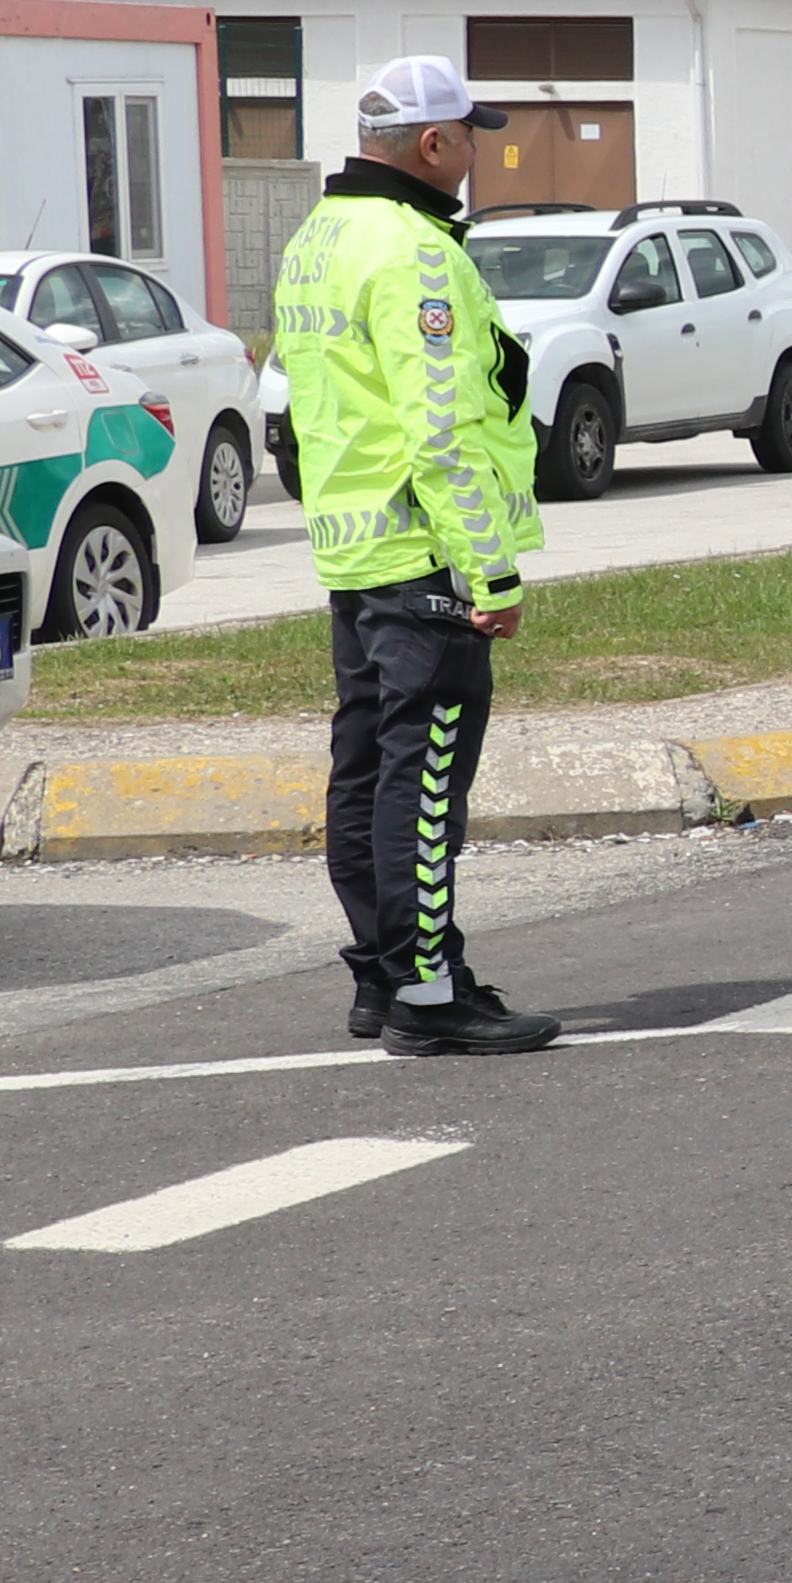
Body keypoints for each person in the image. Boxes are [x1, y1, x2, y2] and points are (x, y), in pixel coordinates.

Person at [274, 57, 564, 1048]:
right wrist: (490, 570)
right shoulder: (415, 253)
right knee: (426, 778)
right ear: (433, 144)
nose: (479, 150)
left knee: (366, 769)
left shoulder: (320, 237)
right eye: (470, 133)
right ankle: (427, 993)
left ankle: (377, 972)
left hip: (354, 555)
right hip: (423, 554)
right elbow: (439, 430)